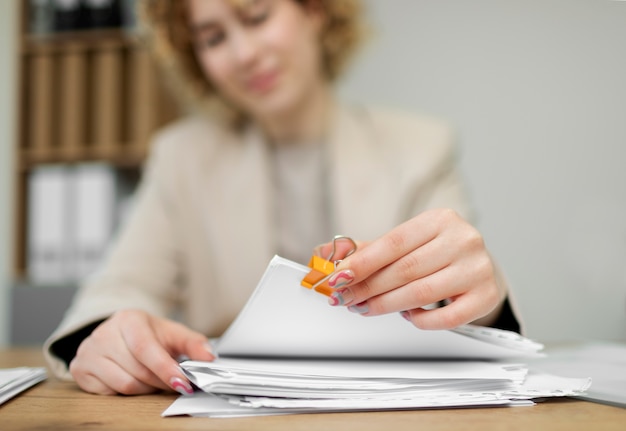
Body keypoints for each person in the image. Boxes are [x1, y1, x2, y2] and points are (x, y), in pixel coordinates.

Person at [44, 0, 521, 396]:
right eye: (212, 38)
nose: (244, 53)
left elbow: (468, 303)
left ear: (314, 10)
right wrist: (108, 336)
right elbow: (115, 293)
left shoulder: (421, 147)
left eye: (257, 16)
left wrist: (483, 295)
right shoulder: (180, 159)